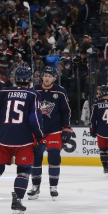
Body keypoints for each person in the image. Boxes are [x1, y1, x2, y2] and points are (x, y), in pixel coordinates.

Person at [0, 66, 44, 214]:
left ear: (14, 78)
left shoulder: (3, 92)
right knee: (24, 171)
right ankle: (17, 201)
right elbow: (34, 119)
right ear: (30, 80)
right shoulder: (33, 94)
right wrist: (39, 136)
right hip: (23, 140)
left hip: (2, 138)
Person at [27, 66, 72, 200]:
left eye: (50, 76)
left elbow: (66, 112)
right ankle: (35, 187)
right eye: (45, 75)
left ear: (54, 78)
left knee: (54, 158)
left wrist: (66, 128)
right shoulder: (34, 90)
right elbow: (28, 110)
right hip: (37, 132)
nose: (47, 78)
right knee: (36, 160)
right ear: (42, 77)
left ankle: (53, 187)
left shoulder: (61, 92)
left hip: (54, 131)